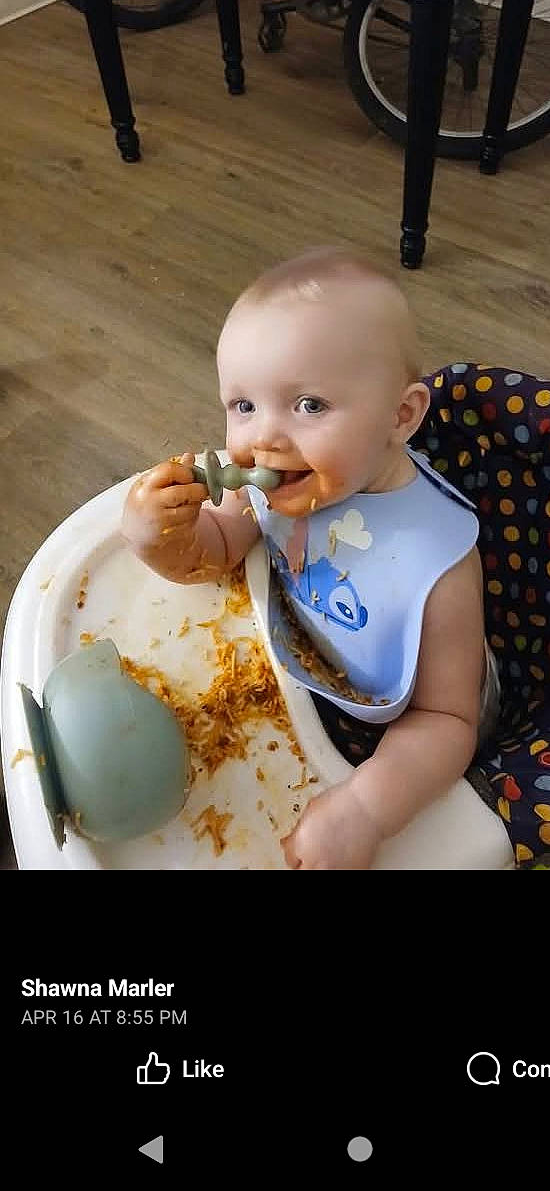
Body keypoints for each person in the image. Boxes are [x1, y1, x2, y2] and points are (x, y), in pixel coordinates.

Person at [121, 247, 497, 869]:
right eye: (244, 406)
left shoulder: (441, 562)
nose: (264, 438)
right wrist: (156, 537)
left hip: (411, 741)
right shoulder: (272, 487)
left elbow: (447, 720)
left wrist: (365, 810)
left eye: (310, 405)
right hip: (297, 678)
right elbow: (216, 552)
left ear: (400, 416)